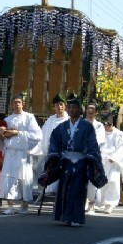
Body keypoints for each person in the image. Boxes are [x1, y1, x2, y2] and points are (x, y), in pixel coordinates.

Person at [46, 94, 105, 227]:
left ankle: (76, 218)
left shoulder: (87, 126)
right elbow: (54, 140)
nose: (72, 110)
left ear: (80, 110)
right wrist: (54, 155)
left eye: (75, 107)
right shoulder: (62, 126)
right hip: (66, 160)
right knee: (64, 189)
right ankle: (65, 216)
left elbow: (92, 144)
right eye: (70, 107)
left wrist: (91, 158)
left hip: (81, 161)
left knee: (77, 190)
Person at [0, 93, 42, 214]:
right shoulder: (7, 120)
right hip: (11, 153)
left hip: (23, 153)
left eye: (19, 102)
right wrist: (2, 134)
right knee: (9, 178)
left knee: (25, 179)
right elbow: (2, 139)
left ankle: (24, 205)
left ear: (23, 104)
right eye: (14, 102)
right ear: (11, 105)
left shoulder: (29, 117)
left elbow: (37, 135)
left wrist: (18, 133)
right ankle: (10, 206)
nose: (17, 104)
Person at [97, 113, 123, 214]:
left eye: (108, 125)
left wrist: (114, 157)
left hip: (113, 161)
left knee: (112, 182)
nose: (106, 127)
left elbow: (122, 148)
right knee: (101, 183)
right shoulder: (101, 133)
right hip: (103, 160)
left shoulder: (119, 134)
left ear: (111, 124)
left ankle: (109, 204)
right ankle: (99, 202)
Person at [36, 93, 68, 194]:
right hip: (52, 152)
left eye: (61, 104)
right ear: (54, 107)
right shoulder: (50, 121)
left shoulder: (69, 120)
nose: (59, 107)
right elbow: (44, 137)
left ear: (65, 106)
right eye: (57, 105)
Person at [85, 100, 105, 211]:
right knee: (82, 178)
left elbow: (101, 141)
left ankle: (91, 202)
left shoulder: (99, 125)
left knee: (92, 179)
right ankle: (83, 201)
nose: (90, 111)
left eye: (93, 109)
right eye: (89, 109)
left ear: (96, 112)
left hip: (93, 155)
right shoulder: (81, 122)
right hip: (82, 154)